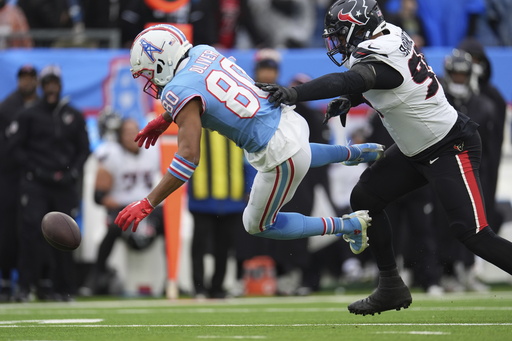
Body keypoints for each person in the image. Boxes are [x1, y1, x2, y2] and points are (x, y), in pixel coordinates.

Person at [255, 0, 512, 315]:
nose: (335, 41)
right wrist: (350, 99)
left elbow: (358, 78)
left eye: (339, 33)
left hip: (449, 145)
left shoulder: (380, 53)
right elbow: (376, 81)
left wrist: (295, 93)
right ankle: (390, 285)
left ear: (358, 27)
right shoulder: (386, 35)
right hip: (415, 148)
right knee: (365, 197)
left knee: (473, 234)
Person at [113, 24, 385, 266]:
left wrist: (149, 202)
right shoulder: (204, 52)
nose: (150, 81)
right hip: (289, 120)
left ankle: (347, 225)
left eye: (149, 73)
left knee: (258, 224)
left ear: (161, 61)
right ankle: (355, 153)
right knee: (298, 151)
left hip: (277, 151)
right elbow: (201, 89)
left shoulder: (176, 91)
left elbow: (188, 159)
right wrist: (165, 118)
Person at [8, 65, 90, 302]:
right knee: (30, 233)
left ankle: (63, 288)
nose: (52, 87)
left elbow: (84, 150)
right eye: (48, 83)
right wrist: (35, 170)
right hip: (36, 183)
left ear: (60, 85)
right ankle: (25, 286)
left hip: (64, 184)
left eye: (55, 83)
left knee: (66, 237)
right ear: (42, 87)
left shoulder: (73, 115)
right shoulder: (29, 114)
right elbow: (15, 149)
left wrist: (72, 172)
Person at [80, 117, 164, 296]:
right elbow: (98, 196)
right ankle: (96, 275)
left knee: (170, 222)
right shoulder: (111, 154)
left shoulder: (154, 150)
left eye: (134, 131)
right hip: (124, 207)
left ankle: (171, 279)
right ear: (119, 136)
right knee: (113, 228)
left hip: (149, 206)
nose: (131, 136)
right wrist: (125, 206)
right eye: (126, 132)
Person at [188, 128, 253, 298]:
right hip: (202, 197)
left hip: (232, 198)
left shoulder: (237, 126)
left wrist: (250, 187)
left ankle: (217, 286)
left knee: (224, 246)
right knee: (199, 246)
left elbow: (249, 160)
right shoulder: (195, 123)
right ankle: (199, 287)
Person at [0, 65, 38, 302]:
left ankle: (31, 281)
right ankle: (6, 279)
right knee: (7, 229)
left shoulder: (43, 107)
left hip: (37, 177)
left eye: (30, 78)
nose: (27, 82)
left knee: (33, 230)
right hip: (10, 176)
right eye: (22, 78)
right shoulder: (6, 108)